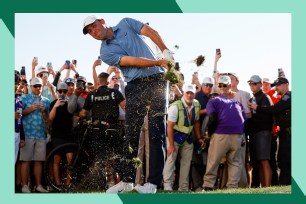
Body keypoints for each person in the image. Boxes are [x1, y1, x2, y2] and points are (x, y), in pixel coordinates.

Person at [83, 15, 173, 193]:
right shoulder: (105, 52)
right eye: (90, 32)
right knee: (131, 133)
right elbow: (130, 61)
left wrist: (165, 51)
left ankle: (153, 184)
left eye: (94, 26)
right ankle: (127, 181)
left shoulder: (126, 23)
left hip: (157, 80)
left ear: (102, 21)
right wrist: (158, 61)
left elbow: (151, 32)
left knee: (156, 132)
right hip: (135, 85)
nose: (94, 32)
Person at [79, 72, 126, 191]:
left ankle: (110, 181)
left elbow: (84, 113)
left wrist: (78, 115)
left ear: (99, 82)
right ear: (108, 81)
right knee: (116, 155)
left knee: (103, 157)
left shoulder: (92, 94)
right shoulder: (115, 93)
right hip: (113, 129)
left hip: (98, 130)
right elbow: (125, 106)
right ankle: (118, 181)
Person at [203, 75, 246, 190]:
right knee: (235, 162)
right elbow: (243, 120)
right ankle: (232, 187)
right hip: (237, 135)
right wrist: (242, 137)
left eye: (223, 85)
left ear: (228, 86)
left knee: (213, 160)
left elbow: (212, 118)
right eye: (220, 85)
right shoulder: (237, 103)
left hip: (221, 134)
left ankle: (208, 185)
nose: (222, 87)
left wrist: (209, 134)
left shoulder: (214, 101)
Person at [249, 77, 291, 185]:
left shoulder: (289, 96)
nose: (276, 88)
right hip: (283, 131)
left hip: (289, 131)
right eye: (275, 85)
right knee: (282, 159)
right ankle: (284, 183)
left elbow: (274, 109)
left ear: (286, 85)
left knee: (285, 158)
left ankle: (284, 183)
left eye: (278, 85)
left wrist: (257, 107)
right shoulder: (282, 98)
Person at [163, 84, 202, 192]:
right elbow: (169, 127)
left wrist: (199, 138)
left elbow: (196, 122)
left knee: (186, 163)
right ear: (183, 93)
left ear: (195, 94)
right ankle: (167, 185)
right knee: (171, 160)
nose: (189, 95)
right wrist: (171, 145)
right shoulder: (175, 106)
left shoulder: (197, 105)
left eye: (192, 93)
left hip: (187, 138)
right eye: (187, 93)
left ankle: (183, 187)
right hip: (174, 136)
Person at [20, 77, 50, 193]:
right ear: (30, 87)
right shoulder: (24, 98)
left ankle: (38, 185)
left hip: (41, 135)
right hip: (27, 134)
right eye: (35, 86)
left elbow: (48, 120)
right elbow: (17, 114)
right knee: (26, 160)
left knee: (38, 160)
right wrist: (30, 109)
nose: (38, 88)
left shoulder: (46, 101)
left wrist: (44, 112)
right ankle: (24, 186)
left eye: (39, 86)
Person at [247, 75, 273, 187]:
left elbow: (270, 113)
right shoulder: (251, 99)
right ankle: (264, 187)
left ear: (260, 85)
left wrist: (256, 107)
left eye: (255, 83)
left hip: (263, 132)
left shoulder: (265, 97)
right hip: (253, 133)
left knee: (264, 160)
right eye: (250, 83)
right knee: (257, 162)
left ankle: (267, 187)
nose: (252, 86)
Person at [49, 82, 75, 187]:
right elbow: (50, 118)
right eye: (60, 91)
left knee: (70, 159)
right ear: (57, 92)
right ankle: (57, 183)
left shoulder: (70, 103)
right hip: (57, 135)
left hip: (69, 135)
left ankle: (68, 183)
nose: (62, 93)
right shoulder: (53, 103)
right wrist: (56, 106)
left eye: (64, 91)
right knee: (56, 160)